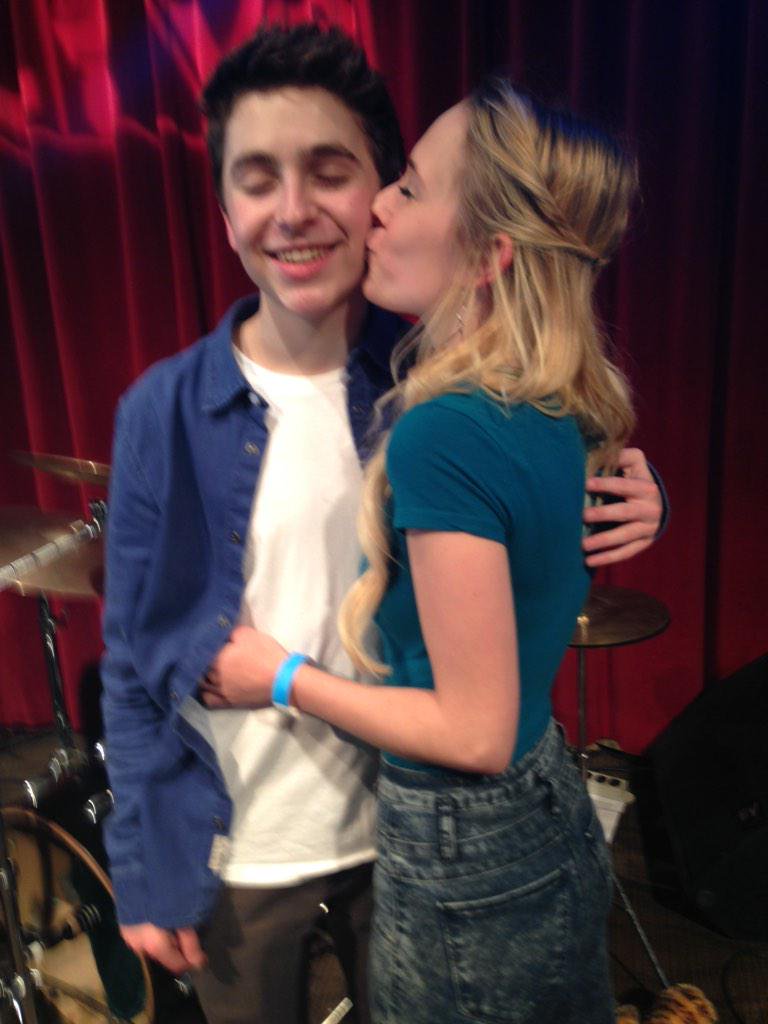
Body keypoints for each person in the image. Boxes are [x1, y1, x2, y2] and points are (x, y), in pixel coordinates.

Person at [101, 24, 664, 1024]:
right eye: (256, 180)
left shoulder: (432, 385)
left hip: (407, 835)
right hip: (244, 850)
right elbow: (132, 652)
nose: (293, 210)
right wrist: (143, 868)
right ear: (223, 209)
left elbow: (522, 471)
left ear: (377, 192)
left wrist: (630, 489)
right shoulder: (161, 412)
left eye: (333, 173)